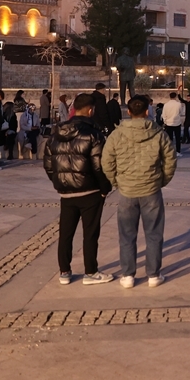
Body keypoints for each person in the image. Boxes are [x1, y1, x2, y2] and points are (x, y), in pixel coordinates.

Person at [103, 96, 177, 289]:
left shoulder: (116, 134)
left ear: (128, 112)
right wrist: (161, 180)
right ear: (147, 111)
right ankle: (153, 274)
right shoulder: (159, 133)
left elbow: (107, 161)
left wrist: (116, 181)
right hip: (151, 188)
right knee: (154, 233)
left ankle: (128, 275)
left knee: (127, 234)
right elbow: (170, 160)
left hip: (127, 189)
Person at [43, 93, 115, 286]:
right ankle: (90, 271)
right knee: (90, 233)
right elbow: (100, 166)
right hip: (89, 190)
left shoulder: (56, 133)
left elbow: (49, 164)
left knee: (66, 233)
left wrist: (60, 181)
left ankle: (64, 271)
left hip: (66, 192)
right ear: (90, 110)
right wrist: (104, 188)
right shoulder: (93, 134)